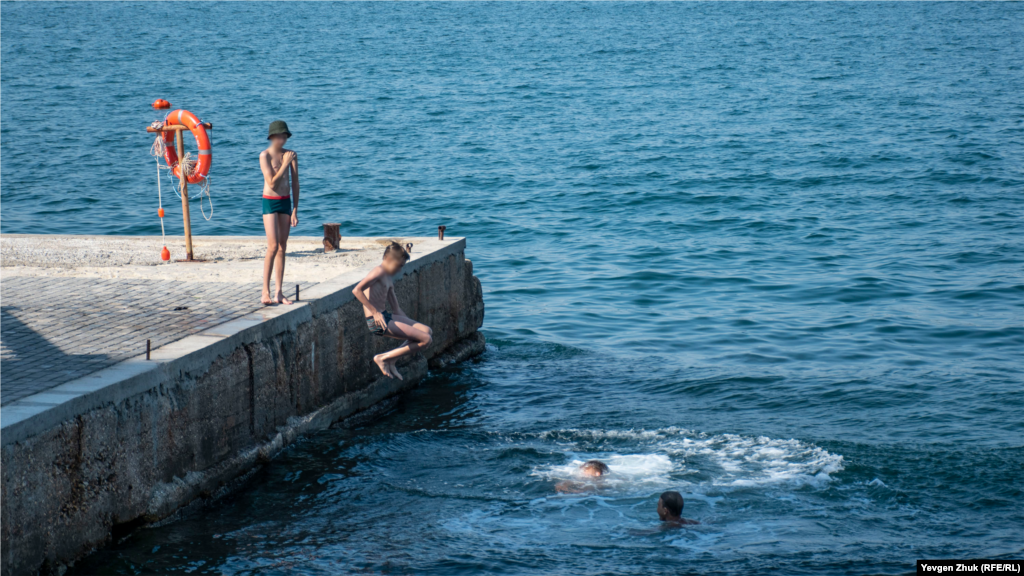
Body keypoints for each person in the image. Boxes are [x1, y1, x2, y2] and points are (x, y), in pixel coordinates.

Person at [352, 243, 433, 380]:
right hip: (377, 321)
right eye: (399, 266)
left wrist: (410, 327)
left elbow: (396, 309)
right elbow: (356, 290)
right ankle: (383, 358)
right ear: (389, 259)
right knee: (426, 340)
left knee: (426, 331)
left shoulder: (388, 278)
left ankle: (393, 359)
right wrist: (374, 311)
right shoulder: (377, 272)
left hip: (386, 316)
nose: (400, 270)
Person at [260, 120, 299, 305]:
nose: (283, 140)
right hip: (270, 202)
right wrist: (285, 163)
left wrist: (295, 210)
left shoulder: (291, 155)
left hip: (285, 202)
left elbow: (295, 183)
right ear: (272, 137)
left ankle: (279, 293)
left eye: (285, 136)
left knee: (283, 247)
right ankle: (265, 292)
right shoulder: (265, 156)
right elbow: (272, 183)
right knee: (273, 246)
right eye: (280, 136)